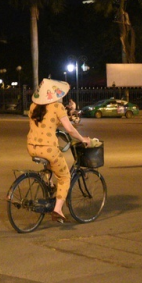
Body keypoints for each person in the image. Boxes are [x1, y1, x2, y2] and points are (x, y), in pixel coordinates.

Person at [27, 79, 92, 223]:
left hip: (32, 147)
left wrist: (68, 112)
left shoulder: (33, 106)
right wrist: (83, 139)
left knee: (51, 167)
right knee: (64, 177)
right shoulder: (57, 106)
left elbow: (49, 121)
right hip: (48, 149)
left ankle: (49, 183)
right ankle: (57, 209)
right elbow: (69, 129)